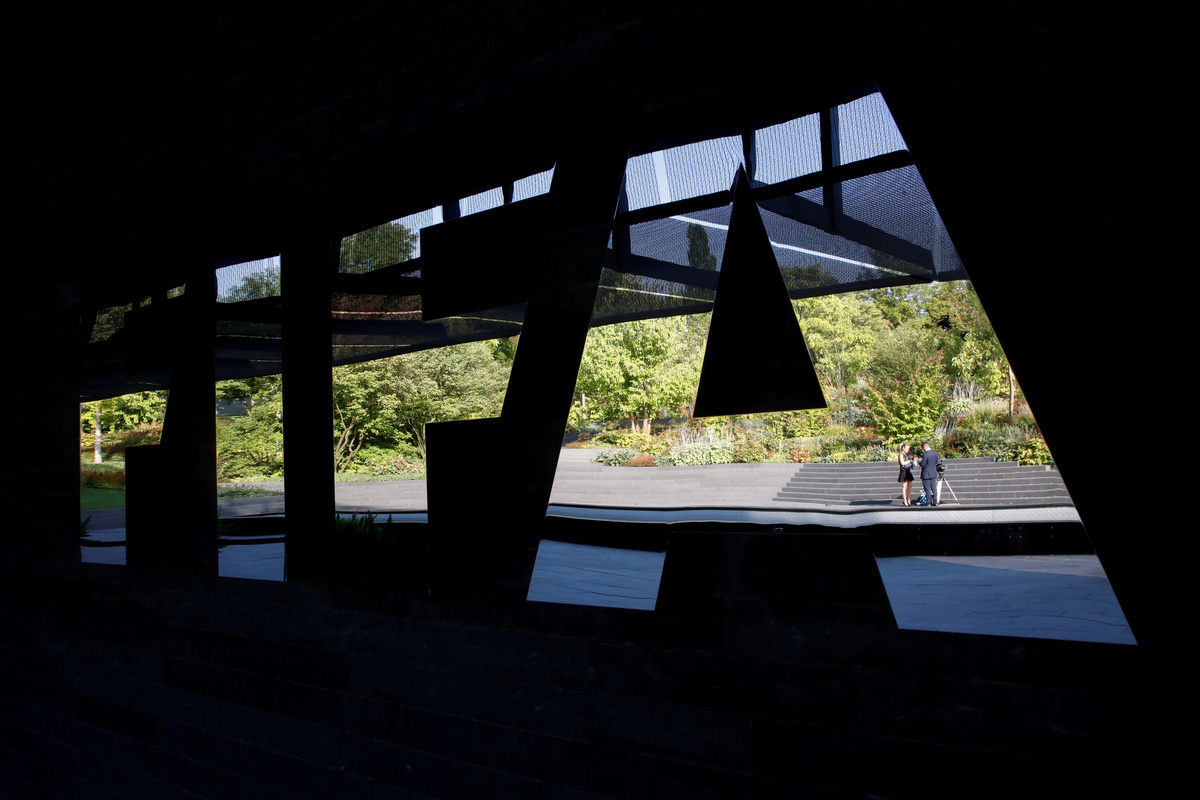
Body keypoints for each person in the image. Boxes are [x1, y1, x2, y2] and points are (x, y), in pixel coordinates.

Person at [917, 441, 939, 507]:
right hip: (933, 472)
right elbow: (936, 462)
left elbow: (923, 464)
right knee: (934, 488)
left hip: (926, 473)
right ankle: (935, 501)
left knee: (927, 488)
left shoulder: (925, 454)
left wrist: (919, 462)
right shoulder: (935, 453)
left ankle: (928, 502)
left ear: (925, 447)